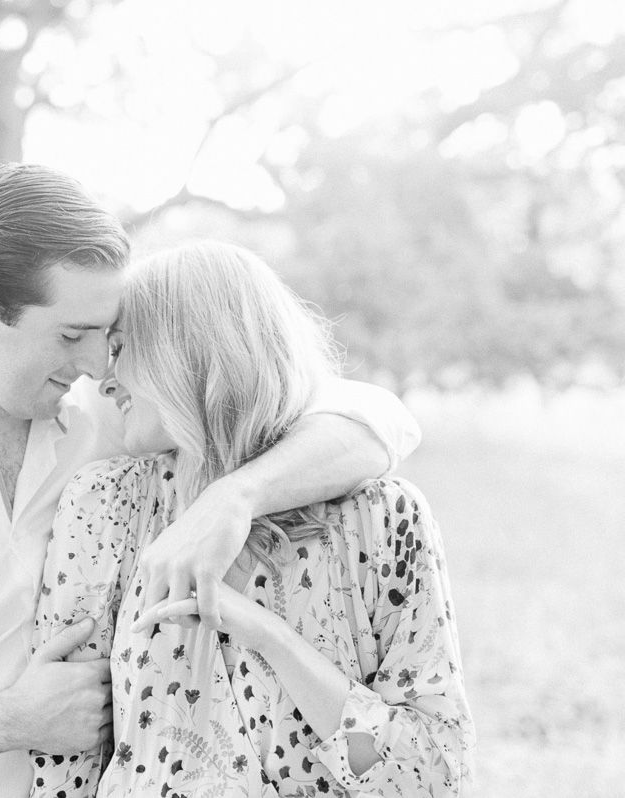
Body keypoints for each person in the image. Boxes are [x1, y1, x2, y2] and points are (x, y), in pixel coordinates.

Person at [0, 165, 423, 797]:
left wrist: (235, 497)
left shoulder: (113, 422)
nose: (94, 364)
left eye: (106, 336)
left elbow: (377, 421)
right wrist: (8, 720)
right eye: (72, 335)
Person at [30, 241, 473, 797]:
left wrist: (270, 637)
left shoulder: (382, 518)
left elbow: (431, 776)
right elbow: (66, 760)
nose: (102, 377)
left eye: (121, 349)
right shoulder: (103, 507)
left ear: (188, 350)